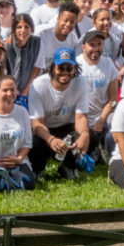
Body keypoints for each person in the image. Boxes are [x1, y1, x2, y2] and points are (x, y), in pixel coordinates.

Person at [28, 49, 95, 179]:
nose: (65, 72)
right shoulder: (38, 85)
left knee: (91, 137)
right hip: (45, 128)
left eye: (69, 68)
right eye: (61, 68)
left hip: (66, 127)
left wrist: (85, 135)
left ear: (75, 69)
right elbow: (37, 124)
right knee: (33, 140)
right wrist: (51, 139)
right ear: (53, 68)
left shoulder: (81, 82)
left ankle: (68, 166)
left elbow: (81, 117)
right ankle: (38, 169)